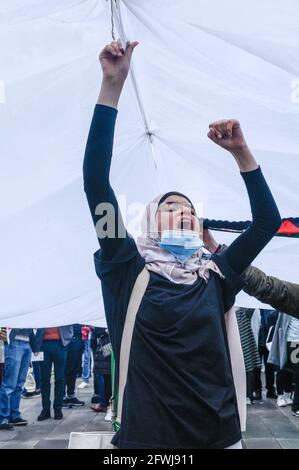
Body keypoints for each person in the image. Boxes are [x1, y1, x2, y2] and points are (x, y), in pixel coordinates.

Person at [83, 39, 281, 449]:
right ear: (151, 222)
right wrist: (111, 87)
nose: (186, 214)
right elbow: (96, 183)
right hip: (145, 443)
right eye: (173, 208)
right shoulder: (126, 269)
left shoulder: (216, 275)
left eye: (191, 211)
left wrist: (242, 154)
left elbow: (267, 223)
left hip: (220, 437)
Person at [0, 328, 38, 430]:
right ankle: (3, 417)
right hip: (14, 342)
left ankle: (14, 415)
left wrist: (34, 346)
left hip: (27, 343)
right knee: (10, 384)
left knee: (19, 383)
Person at [34, 326, 73, 421]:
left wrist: (68, 338)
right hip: (43, 344)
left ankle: (58, 408)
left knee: (60, 378)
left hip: (60, 343)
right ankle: (45, 409)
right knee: (44, 379)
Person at [253, 309, 278, 400]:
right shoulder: (254, 308)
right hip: (257, 339)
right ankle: (257, 389)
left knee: (269, 366)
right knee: (257, 366)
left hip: (267, 340)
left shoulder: (268, 308)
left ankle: (270, 389)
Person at [90, 327, 112, 422]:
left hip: (104, 348)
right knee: (106, 376)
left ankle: (104, 403)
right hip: (105, 347)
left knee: (102, 375)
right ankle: (106, 403)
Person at [63, 324, 85, 408]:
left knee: (74, 369)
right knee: (68, 369)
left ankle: (70, 394)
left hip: (79, 338)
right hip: (71, 338)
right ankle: (63, 396)